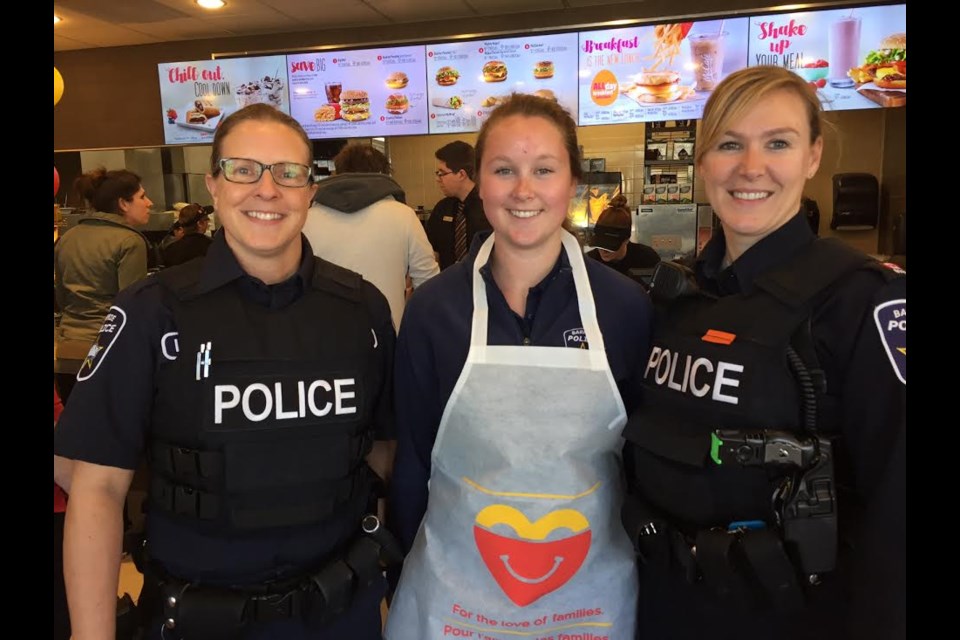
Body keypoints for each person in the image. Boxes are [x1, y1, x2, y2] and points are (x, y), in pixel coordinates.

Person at [54, 104, 397, 640]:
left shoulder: (362, 310)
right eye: (243, 169)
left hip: (339, 616)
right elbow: (95, 486)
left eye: (289, 173)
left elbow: (383, 456)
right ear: (214, 185)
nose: (267, 189)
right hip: (198, 619)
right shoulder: (150, 311)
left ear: (311, 191)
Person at [620, 66, 906, 640]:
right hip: (660, 603)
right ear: (702, 162)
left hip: (790, 616)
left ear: (813, 156)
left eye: (777, 143)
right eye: (729, 144)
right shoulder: (675, 295)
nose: (751, 168)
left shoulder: (859, 300)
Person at [386, 94, 653, 639]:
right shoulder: (434, 310)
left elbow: (643, 469)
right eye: (504, 170)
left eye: (544, 170)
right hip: (454, 600)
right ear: (478, 183)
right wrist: (397, 575)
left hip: (589, 603)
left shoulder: (625, 308)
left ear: (573, 182)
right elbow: (412, 461)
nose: (523, 190)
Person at [303, 142, 439, 330]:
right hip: (388, 336)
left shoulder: (306, 218)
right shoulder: (403, 215)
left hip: (322, 338)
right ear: (383, 174)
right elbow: (429, 284)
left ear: (339, 172)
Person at [54, 168, 154, 403]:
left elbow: (60, 297)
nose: (149, 203)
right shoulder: (130, 241)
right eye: (142, 197)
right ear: (123, 203)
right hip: (109, 353)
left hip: (67, 351)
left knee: (79, 429)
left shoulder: (68, 237)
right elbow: (132, 308)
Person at [424, 140, 491, 270]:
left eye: (442, 173)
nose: (438, 179)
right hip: (449, 282)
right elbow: (432, 251)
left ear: (461, 174)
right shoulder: (442, 208)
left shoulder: (489, 206)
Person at [587, 194, 661, 283]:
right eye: (600, 244)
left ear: (626, 239)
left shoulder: (647, 258)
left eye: (609, 246)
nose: (603, 251)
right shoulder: (589, 263)